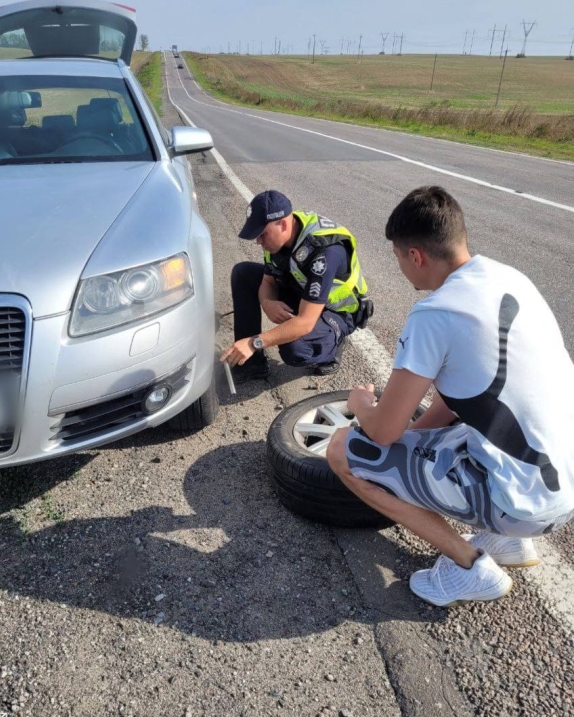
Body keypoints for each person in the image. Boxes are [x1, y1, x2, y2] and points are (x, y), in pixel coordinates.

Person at [327, 186, 574, 608]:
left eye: (398, 257)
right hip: (564, 485)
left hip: (527, 506)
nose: (401, 266)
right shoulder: (509, 277)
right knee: (470, 426)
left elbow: (384, 431)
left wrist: (360, 404)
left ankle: (470, 566)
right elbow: (466, 397)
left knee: (342, 453)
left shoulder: (434, 313)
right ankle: (509, 543)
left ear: (416, 256)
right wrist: (408, 447)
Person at [221, 190, 373, 381]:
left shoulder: (324, 252)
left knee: (295, 348)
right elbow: (267, 281)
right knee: (243, 273)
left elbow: (305, 322)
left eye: (262, 234)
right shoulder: (281, 237)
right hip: (303, 290)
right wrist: (267, 302)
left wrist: (254, 342)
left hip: (335, 311)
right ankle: (251, 365)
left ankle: (332, 345)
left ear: (283, 224)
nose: (258, 241)